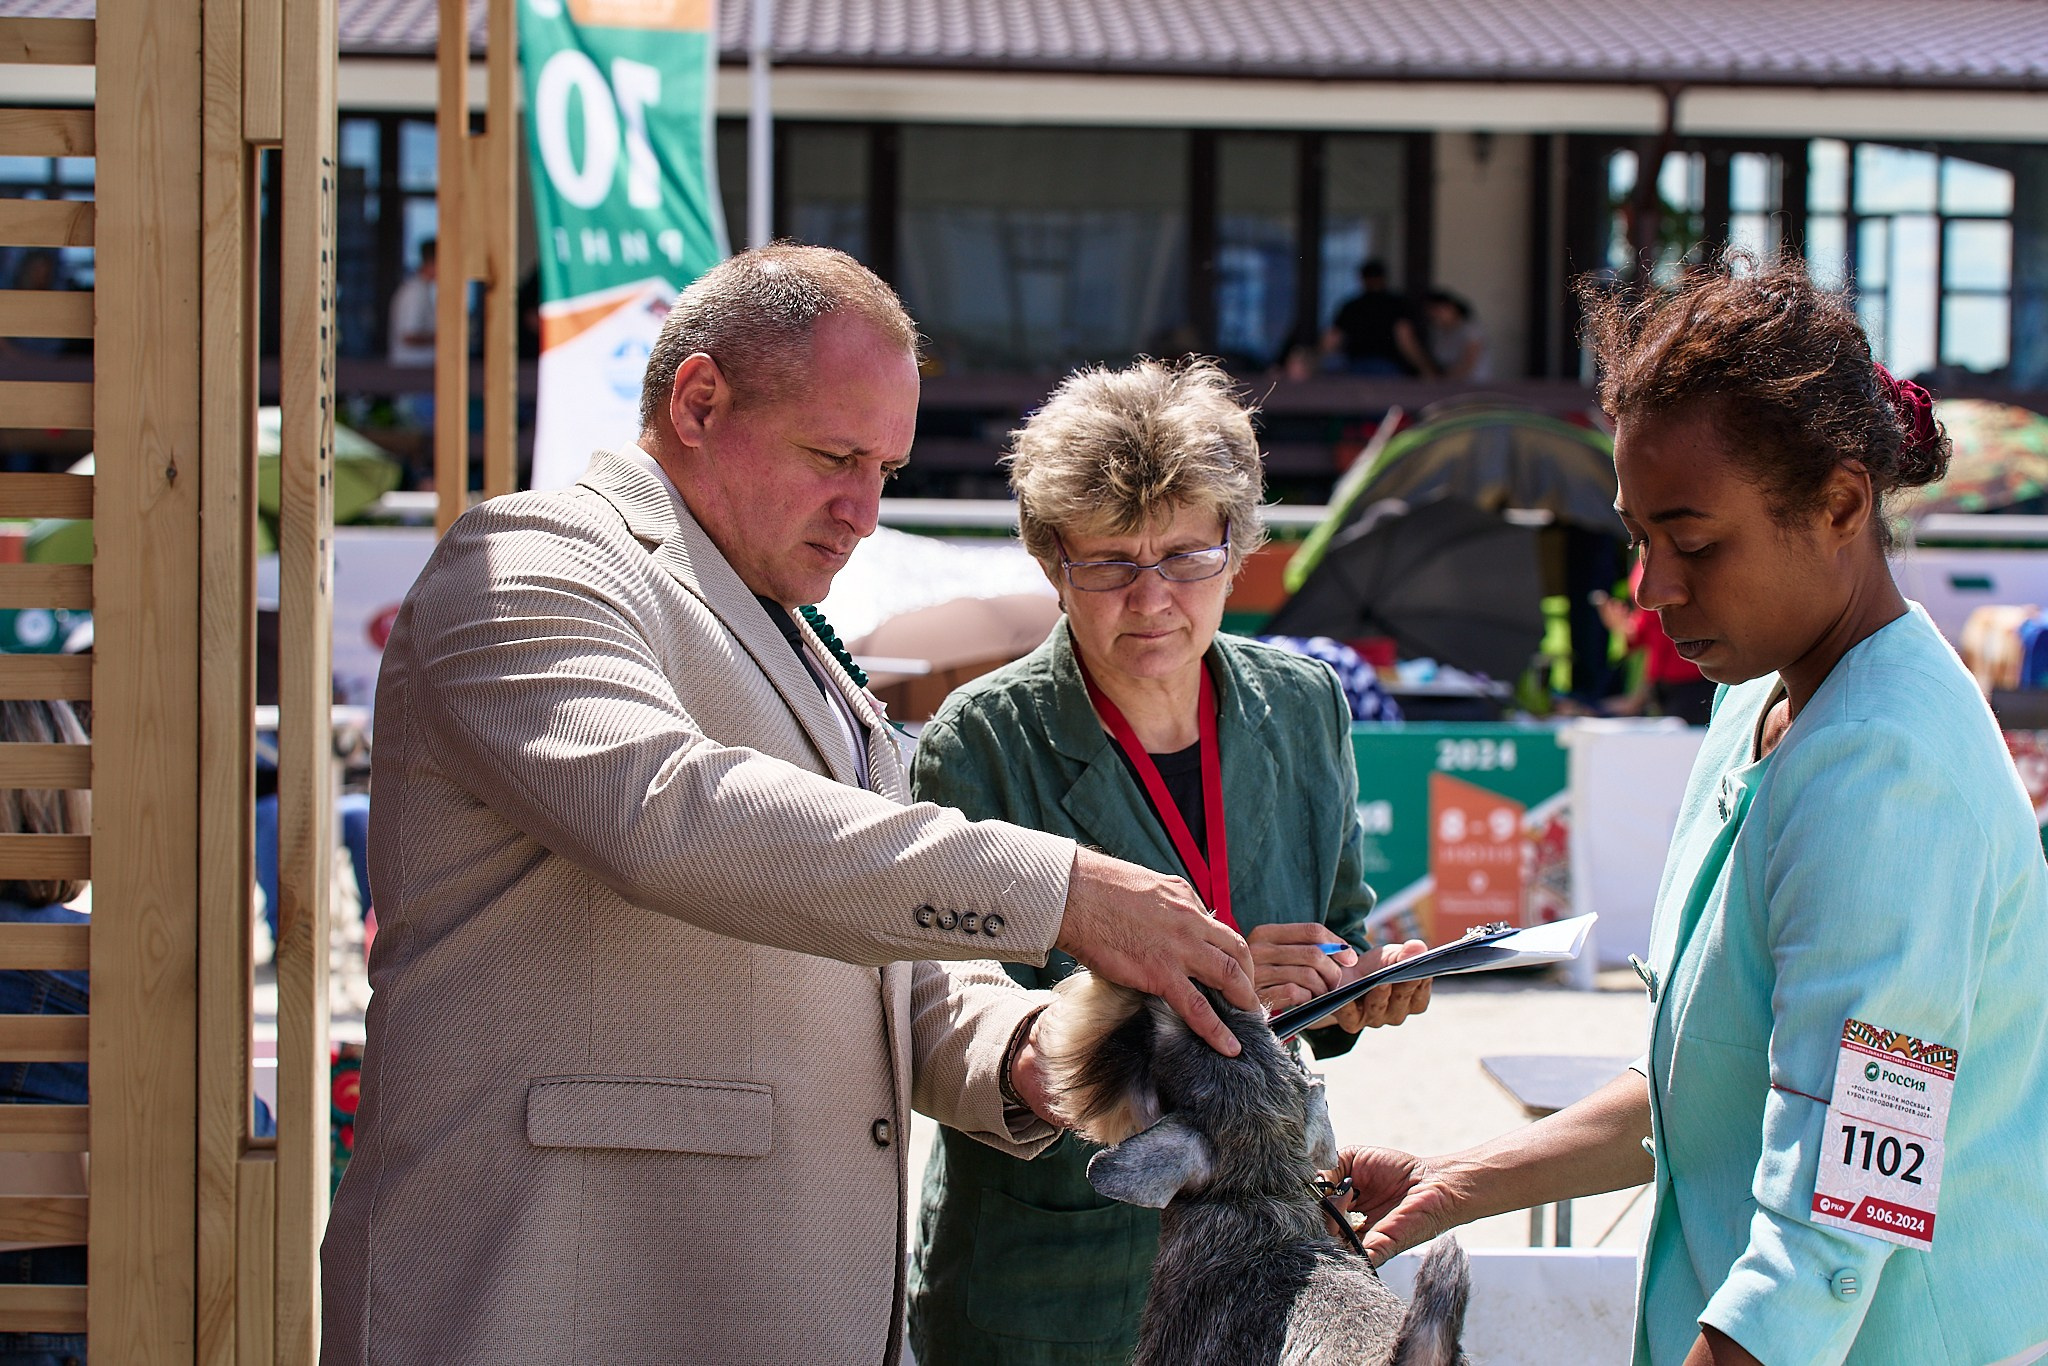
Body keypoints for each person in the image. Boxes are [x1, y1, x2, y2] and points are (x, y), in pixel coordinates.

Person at [319, 245, 1260, 1366]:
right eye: (834, 456)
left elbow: (889, 980)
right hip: (556, 1297)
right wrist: (1057, 887)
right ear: (698, 401)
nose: (863, 510)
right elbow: (669, 811)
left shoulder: (789, 632)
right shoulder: (528, 559)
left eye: (886, 471)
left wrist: (1046, 1051)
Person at [1334, 260, 2048, 1365]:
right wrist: (1455, 1181)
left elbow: (1839, 1212)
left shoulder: (1887, 773)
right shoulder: (1760, 694)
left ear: (1841, 505)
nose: (1651, 587)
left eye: (1694, 541)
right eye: (1636, 538)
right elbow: (1707, 1085)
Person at [907, 358, 1432, 1366]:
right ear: (1050, 557)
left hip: (1264, 1269)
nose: (1151, 598)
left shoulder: (1305, 703)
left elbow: (1340, 920)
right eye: (1109, 562)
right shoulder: (981, 741)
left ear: (1238, 547)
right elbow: (944, 1016)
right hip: (1054, 1274)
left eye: (1186, 556)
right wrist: (1215, 975)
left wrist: (1350, 985)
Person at [1322, 260, 1430, 377]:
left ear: (1362, 279)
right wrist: (1426, 370)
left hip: (1359, 365)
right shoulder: (1396, 303)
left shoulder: (1352, 306)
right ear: (1383, 278)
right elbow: (1405, 338)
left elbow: (1332, 339)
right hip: (1387, 366)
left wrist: (1315, 362)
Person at [387, 238, 436, 428]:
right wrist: (442, 338)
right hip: (412, 379)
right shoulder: (414, 292)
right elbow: (408, 335)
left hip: (421, 380)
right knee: (414, 431)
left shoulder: (422, 291)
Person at [1423, 288, 1490, 382]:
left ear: (1452, 308)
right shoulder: (1437, 332)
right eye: (1431, 312)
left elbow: (1469, 361)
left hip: (1472, 384)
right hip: (1446, 384)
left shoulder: (1470, 330)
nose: (1434, 315)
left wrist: (1445, 380)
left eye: (1438, 311)